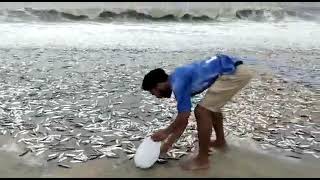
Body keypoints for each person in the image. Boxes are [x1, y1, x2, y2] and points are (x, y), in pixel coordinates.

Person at [141, 53, 253, 170]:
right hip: (234, 69)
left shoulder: (178, 84)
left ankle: (202, 160)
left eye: (153, 92)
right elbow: (183, 121)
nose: (157, 96)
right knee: (211, 108)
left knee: (202, 111)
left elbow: (183, 117)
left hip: (233, 72)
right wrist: (167, 145)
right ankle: (220, 142)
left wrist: (165, 132)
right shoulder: (177, 77)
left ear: (159, 84)